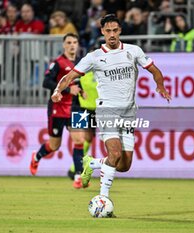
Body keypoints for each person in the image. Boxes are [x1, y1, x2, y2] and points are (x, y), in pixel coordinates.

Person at [51, 14, 171, 198]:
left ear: (120, 30)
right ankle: (102, 199)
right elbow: (70, 77)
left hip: (129, 113)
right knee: (114, 154)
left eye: (115, 30)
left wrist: (160, 85)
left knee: (124, 165)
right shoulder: (94, 57)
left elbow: (154, 70)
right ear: (102, 32)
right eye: (108, 31)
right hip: (107, 110)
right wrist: (58, 91)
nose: (112, 34)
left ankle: (91, 164)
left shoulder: (133, 51)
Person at [29, 33, 87, 189]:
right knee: (55, 145)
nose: (72, 45)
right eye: (69, 42)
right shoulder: (58, 63)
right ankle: (37, 156)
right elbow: (46, 82)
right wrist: (68, 89)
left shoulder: (82, 63)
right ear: (64, 45)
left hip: (76, 107)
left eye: (75, 42)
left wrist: (81, 91)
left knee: (79, 140)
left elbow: (80, 82)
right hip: (58, 107)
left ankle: (78, 176)